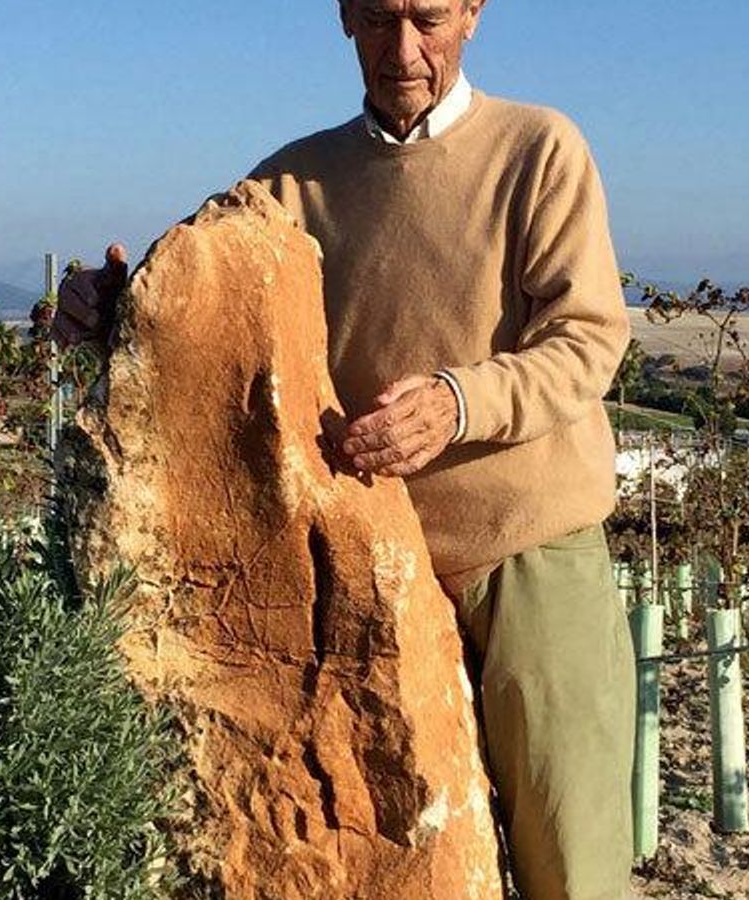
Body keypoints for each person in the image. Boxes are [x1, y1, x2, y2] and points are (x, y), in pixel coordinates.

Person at [57, 2, 633, 897]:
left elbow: (589, 340)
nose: (404, 50)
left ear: (473, 14)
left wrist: (458, 402)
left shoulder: (539, 151)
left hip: (529, 560)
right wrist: (106, 307)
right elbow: (196, 288)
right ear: (343, 19)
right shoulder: (293, 182)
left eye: (429, 19)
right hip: (357, 585)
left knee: (574, 869)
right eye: (377, 18)